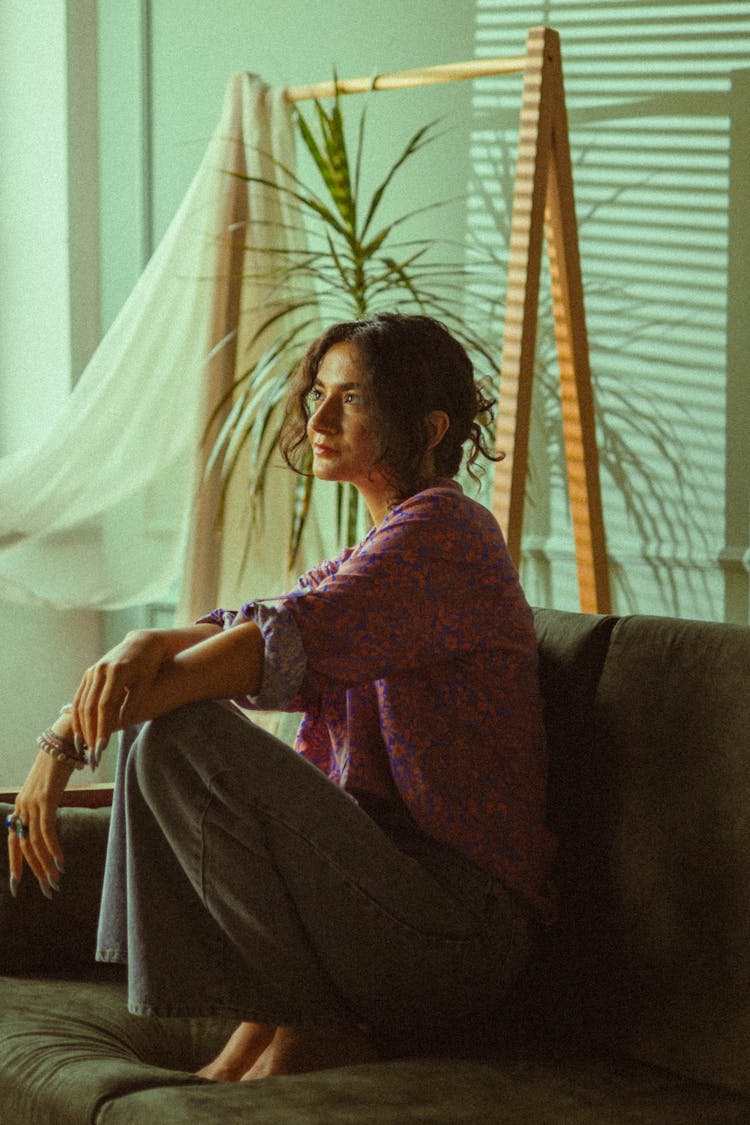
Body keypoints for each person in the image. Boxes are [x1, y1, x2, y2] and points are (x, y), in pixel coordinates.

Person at [6, 312, 556, 1081]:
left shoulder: (447, 536)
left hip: (458, 934)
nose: (318, 417)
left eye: (352, 399)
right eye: (318, 393)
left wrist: (62, 742)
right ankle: (269, 1027)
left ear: (428, 427)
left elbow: (269, 647)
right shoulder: (375, 547)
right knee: (162, 725)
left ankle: (308, 1027)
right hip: (390, 903)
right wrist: (134, 645)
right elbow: (239, 629)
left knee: (177, 732)